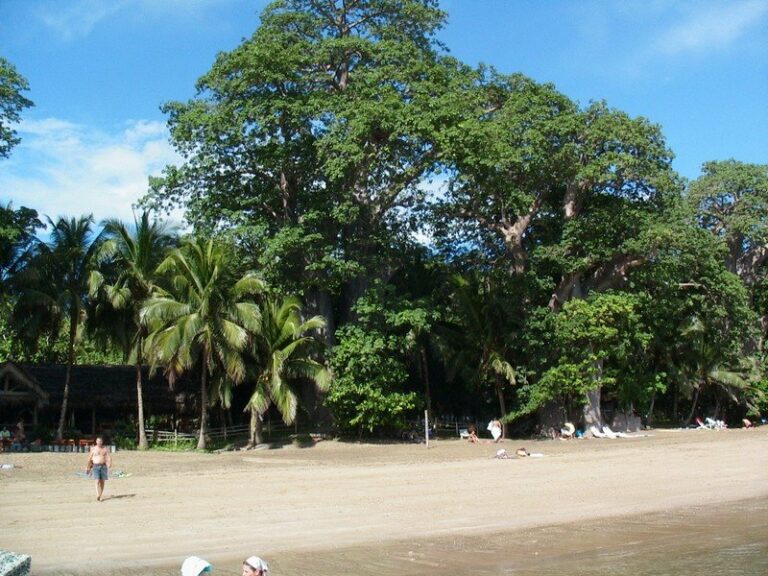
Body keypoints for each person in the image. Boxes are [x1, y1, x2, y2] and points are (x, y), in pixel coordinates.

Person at [86, 436, 112, 501]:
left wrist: (109, 463)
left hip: (103, 466)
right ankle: (98, 494)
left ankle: (100, 495)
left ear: (102, 442)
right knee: (97, 481)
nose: (99, 442)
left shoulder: (105, 449)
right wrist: (88, 467)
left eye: (100, 441)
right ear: (96, 442)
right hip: (95, 466)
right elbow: (89, 458)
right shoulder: (93, 449)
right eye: (97, 441)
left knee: (102, 481)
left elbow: (108, 457)